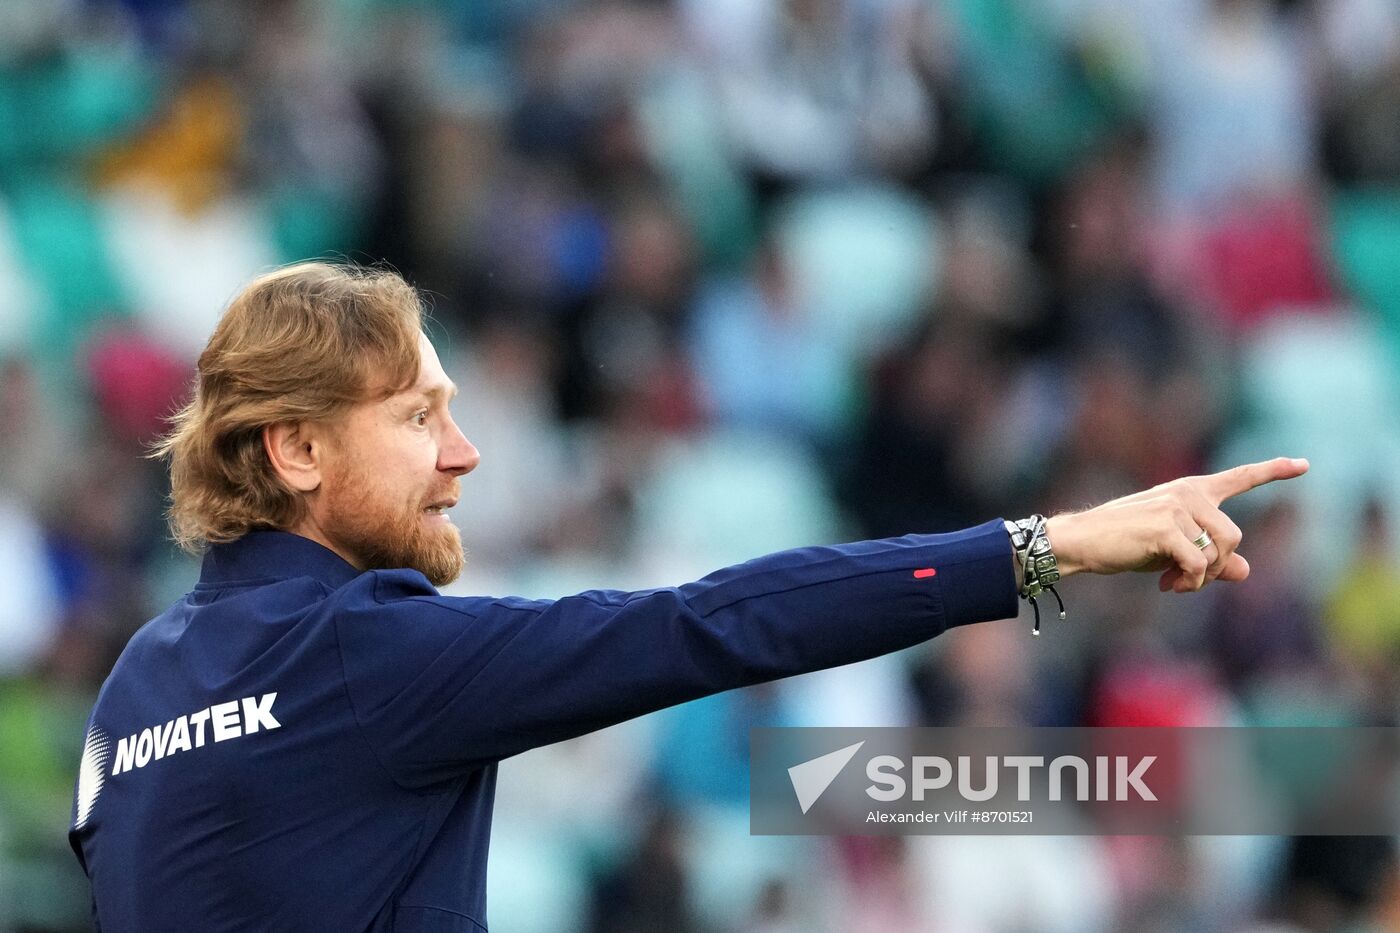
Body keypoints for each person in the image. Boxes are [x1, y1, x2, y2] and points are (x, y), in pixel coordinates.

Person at [68, 262, 1308, 932]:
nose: (464, 452)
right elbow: (712, 621)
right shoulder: (367, 659)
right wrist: (1052, 547)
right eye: (417, 418)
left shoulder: (132, 694)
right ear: (295, 451)